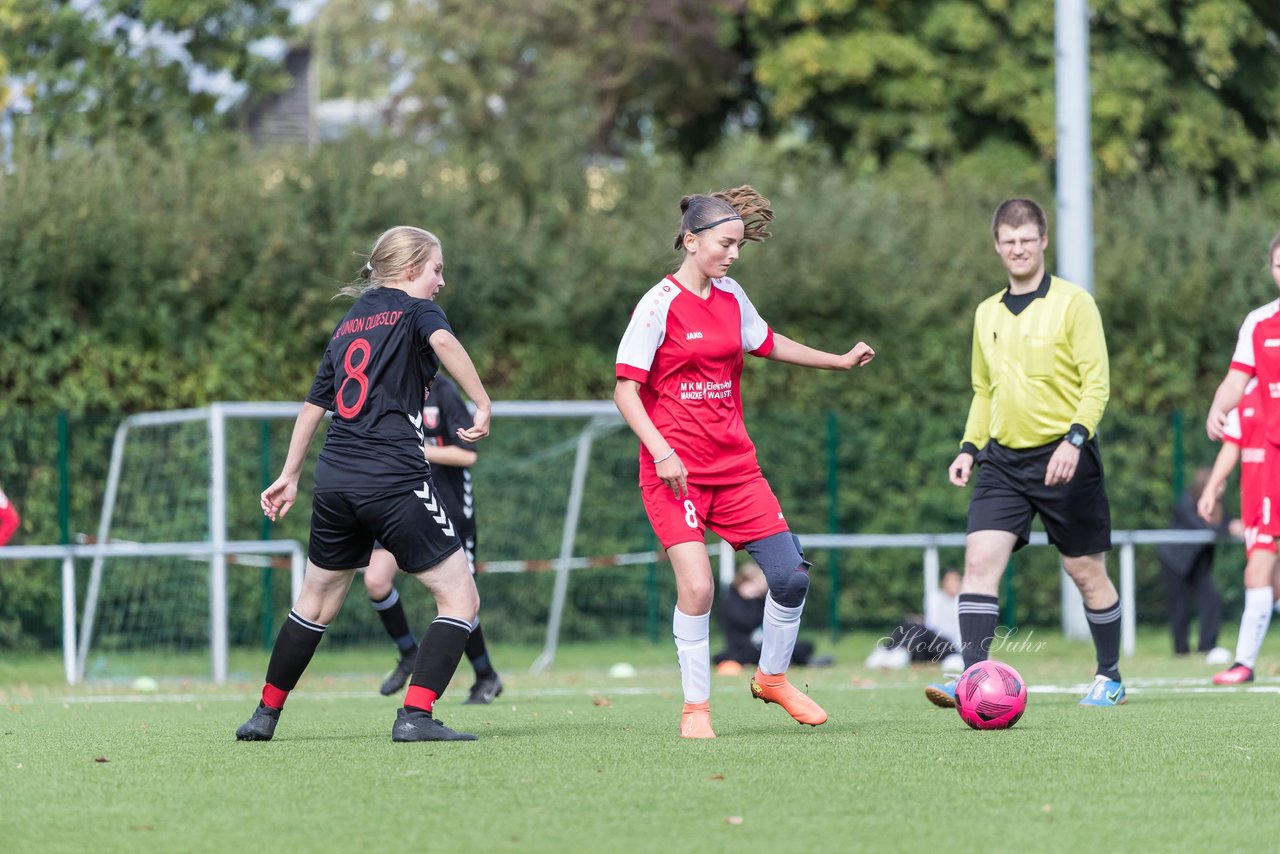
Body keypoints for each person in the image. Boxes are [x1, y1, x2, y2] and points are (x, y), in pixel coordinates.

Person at [614, 185, 875, 738]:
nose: (733, 254)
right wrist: (661, 451)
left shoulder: (732, 296)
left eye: (738, 245)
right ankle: (696, 709)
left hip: (737, 472)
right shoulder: (658, 303)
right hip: (675, 474)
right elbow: (625, 392)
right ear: (691, 240)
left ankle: (773, 679)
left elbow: (768, 342)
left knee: (791, 578)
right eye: (724, 244)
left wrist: (839, 361)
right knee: (700, 588)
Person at [235, 225, 493, 743]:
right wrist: (483, 401)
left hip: (335, 479)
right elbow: (443, 340)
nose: (441, 281)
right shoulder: (416, 309)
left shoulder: (350, 322)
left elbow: (314, 407)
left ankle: (264, 715)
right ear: (409, 269)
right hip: (392, 477)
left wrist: (289, 475)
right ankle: (416, 716)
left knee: (315, 602)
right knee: (461, 599)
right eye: (437, 269)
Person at [927, 198, 1127, 710]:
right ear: (997, 246)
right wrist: (969, 448)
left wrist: (1075, 439)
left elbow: (1096, 384)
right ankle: (973, 678)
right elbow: (984, 390)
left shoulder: (1074, 303)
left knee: (1085, 572)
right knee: (978, 564)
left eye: (1027, 240)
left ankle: (1110, 676)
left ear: (1043, 242)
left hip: (1067, 458)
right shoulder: (986, 312)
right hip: (1003, 462)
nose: (1018, 249)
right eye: (1008, 241)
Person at [366, 374, 504, 704]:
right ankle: (408, 653)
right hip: (403, 508)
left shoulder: (442, 391)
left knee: (460, 597)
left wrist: (418, 451)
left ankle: (486, 675)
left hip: (449, 512)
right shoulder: (390, 391)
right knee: (375, 580)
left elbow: (466, 454)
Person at [1204, 233, 1280, 683]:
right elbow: (1236, 379)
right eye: (1278, 264)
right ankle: (1244, 661)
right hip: (1273, 462)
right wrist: (1219, 404)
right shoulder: (1259, 322)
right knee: (1260, 561)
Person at [1156, 467, 1229, 662]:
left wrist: (1230, 526)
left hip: (1197, 562)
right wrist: (1228, 527)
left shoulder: (1219, 505)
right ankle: (1181, 651)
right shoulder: (1186, 500)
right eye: (1218, 483)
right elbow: (1206, 527)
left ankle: (1207, 647)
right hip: (1174, 560)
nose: (1222, 487)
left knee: (1211, 598)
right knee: (1179, 605)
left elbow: (1222, 526)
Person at [712, 559, 827, 674]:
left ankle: (803, 660)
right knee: (761, 652)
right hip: (743, 648)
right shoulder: (731, 601)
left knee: (804, 645)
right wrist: (752, 599)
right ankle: (803, 661)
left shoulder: (761, 599)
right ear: (745, 582)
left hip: (763, 643)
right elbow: (747, 621)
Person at [866, 568, 964, 671]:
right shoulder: (935, 598)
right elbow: (932, 623)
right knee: (908, 623)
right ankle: (886, 651)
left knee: (920, 629)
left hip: (949, 645)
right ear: (943, 582)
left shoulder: (962, 601)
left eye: (956, 580)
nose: (952, 584)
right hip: (931, 639)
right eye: (949, 580)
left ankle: (900, 654)